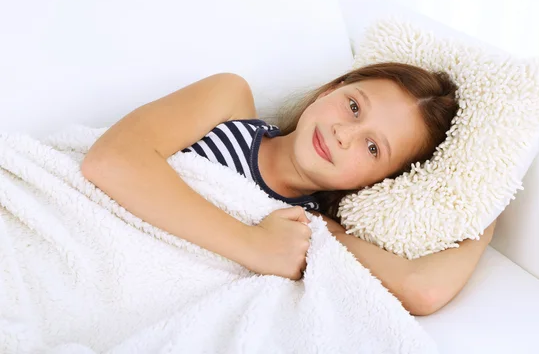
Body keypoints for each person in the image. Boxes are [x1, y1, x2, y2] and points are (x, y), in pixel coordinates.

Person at [81, 63, 497, 316]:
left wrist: (488, 204)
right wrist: (253, 243)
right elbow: (112, 160)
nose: (343, 134)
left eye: (372, 147)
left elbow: (421, 289)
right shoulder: (228, 103)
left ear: (377, 184)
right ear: (333, 88)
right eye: (353, 106)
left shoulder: (307, 227)